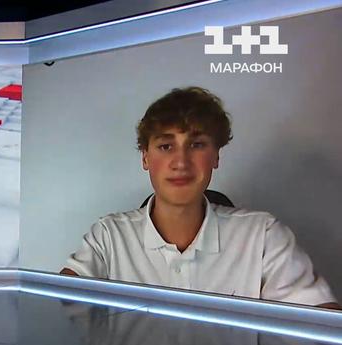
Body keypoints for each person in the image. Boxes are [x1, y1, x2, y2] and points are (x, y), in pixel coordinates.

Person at [61, 86, 340, 309]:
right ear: (145, 157)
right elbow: (58, 312)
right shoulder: (108, 237)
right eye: (166, 146)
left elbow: (323, 323)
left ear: (215, 156)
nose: (181, 162)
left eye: (196, 144)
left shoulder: (263, 235)